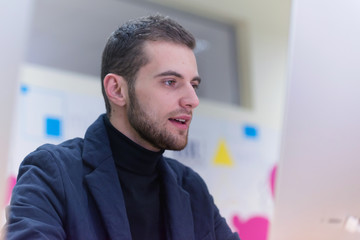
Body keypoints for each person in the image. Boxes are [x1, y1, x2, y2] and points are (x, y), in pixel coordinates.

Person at [5, 15, 240, 240]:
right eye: (170, 82)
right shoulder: (52, 172)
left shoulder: (191, 187)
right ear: (117, 90)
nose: (192, 100)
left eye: (194, 85)